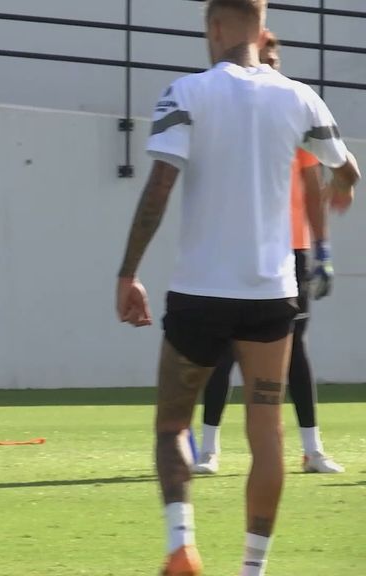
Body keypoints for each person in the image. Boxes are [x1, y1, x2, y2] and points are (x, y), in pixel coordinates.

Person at [114, 1, 359, 574]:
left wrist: (128, 271)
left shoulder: (186, 93)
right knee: (267, 430)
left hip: (200, 292)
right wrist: (342, 187)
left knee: (173, 422)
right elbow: (344, 167)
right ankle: (252, 568)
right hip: (271, 295)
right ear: (261, 28)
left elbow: (158, 187)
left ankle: (181, 544)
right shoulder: (300, 96)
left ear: (216, 27)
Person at [194, 32, 344, 476]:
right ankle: (208, 448)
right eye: (267, 58)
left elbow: (313, 189)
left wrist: (323, 249)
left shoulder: (293, 116)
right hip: (236, 248)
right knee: (222, 349)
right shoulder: (230, 118)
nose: (274, 65)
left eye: (277, 58)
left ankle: (312, 450)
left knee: (295, 349)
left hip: (291, 252)